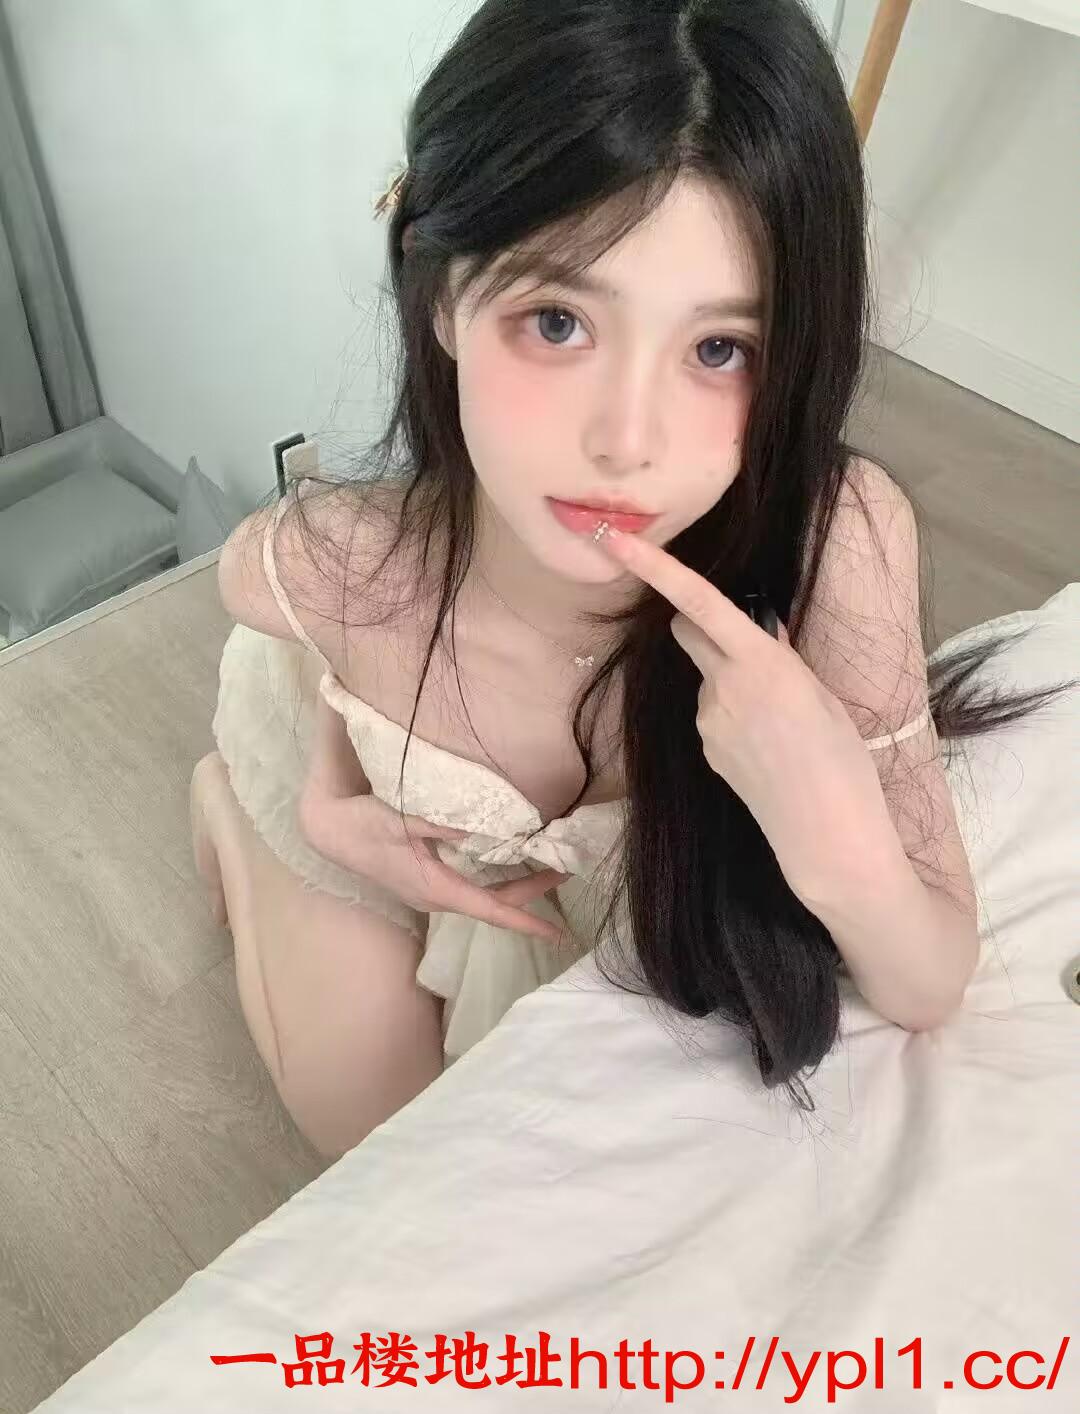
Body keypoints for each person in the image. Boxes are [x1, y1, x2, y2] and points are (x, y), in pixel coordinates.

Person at [190, 0, 1074, 1162]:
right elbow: (288, 614)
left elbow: (927, 979)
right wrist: (323, 790)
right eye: (559, 321)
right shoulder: (328, 562)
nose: (628, 441)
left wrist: (834, 826)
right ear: (442, 294)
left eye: (719, 349)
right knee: (369, 1147)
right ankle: (228, 811)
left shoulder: (837, 542)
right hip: (381, 832)